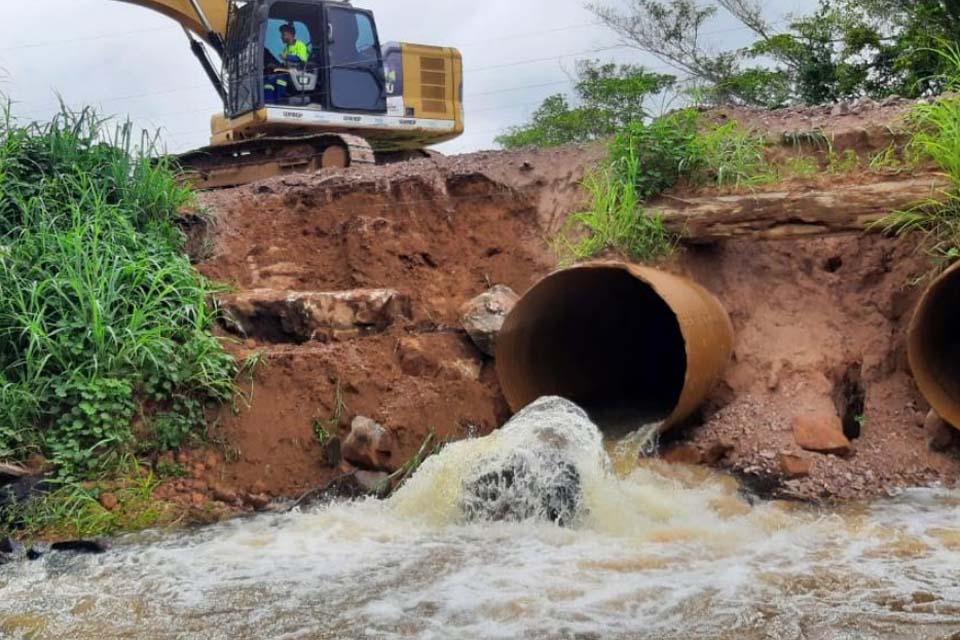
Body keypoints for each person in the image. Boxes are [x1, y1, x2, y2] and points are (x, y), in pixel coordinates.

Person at [264, 23, 310, 104]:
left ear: (290, 34)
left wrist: (287, 57)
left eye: (283, 34)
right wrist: (275, 66)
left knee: (280, 79)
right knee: (268, 81)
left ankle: (279, 101)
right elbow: (285, 64)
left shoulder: (300, 45)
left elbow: (303, 60)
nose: (281, 37)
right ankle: (269, 103)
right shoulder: (286, 48)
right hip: (288, 72)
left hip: (298, 73)